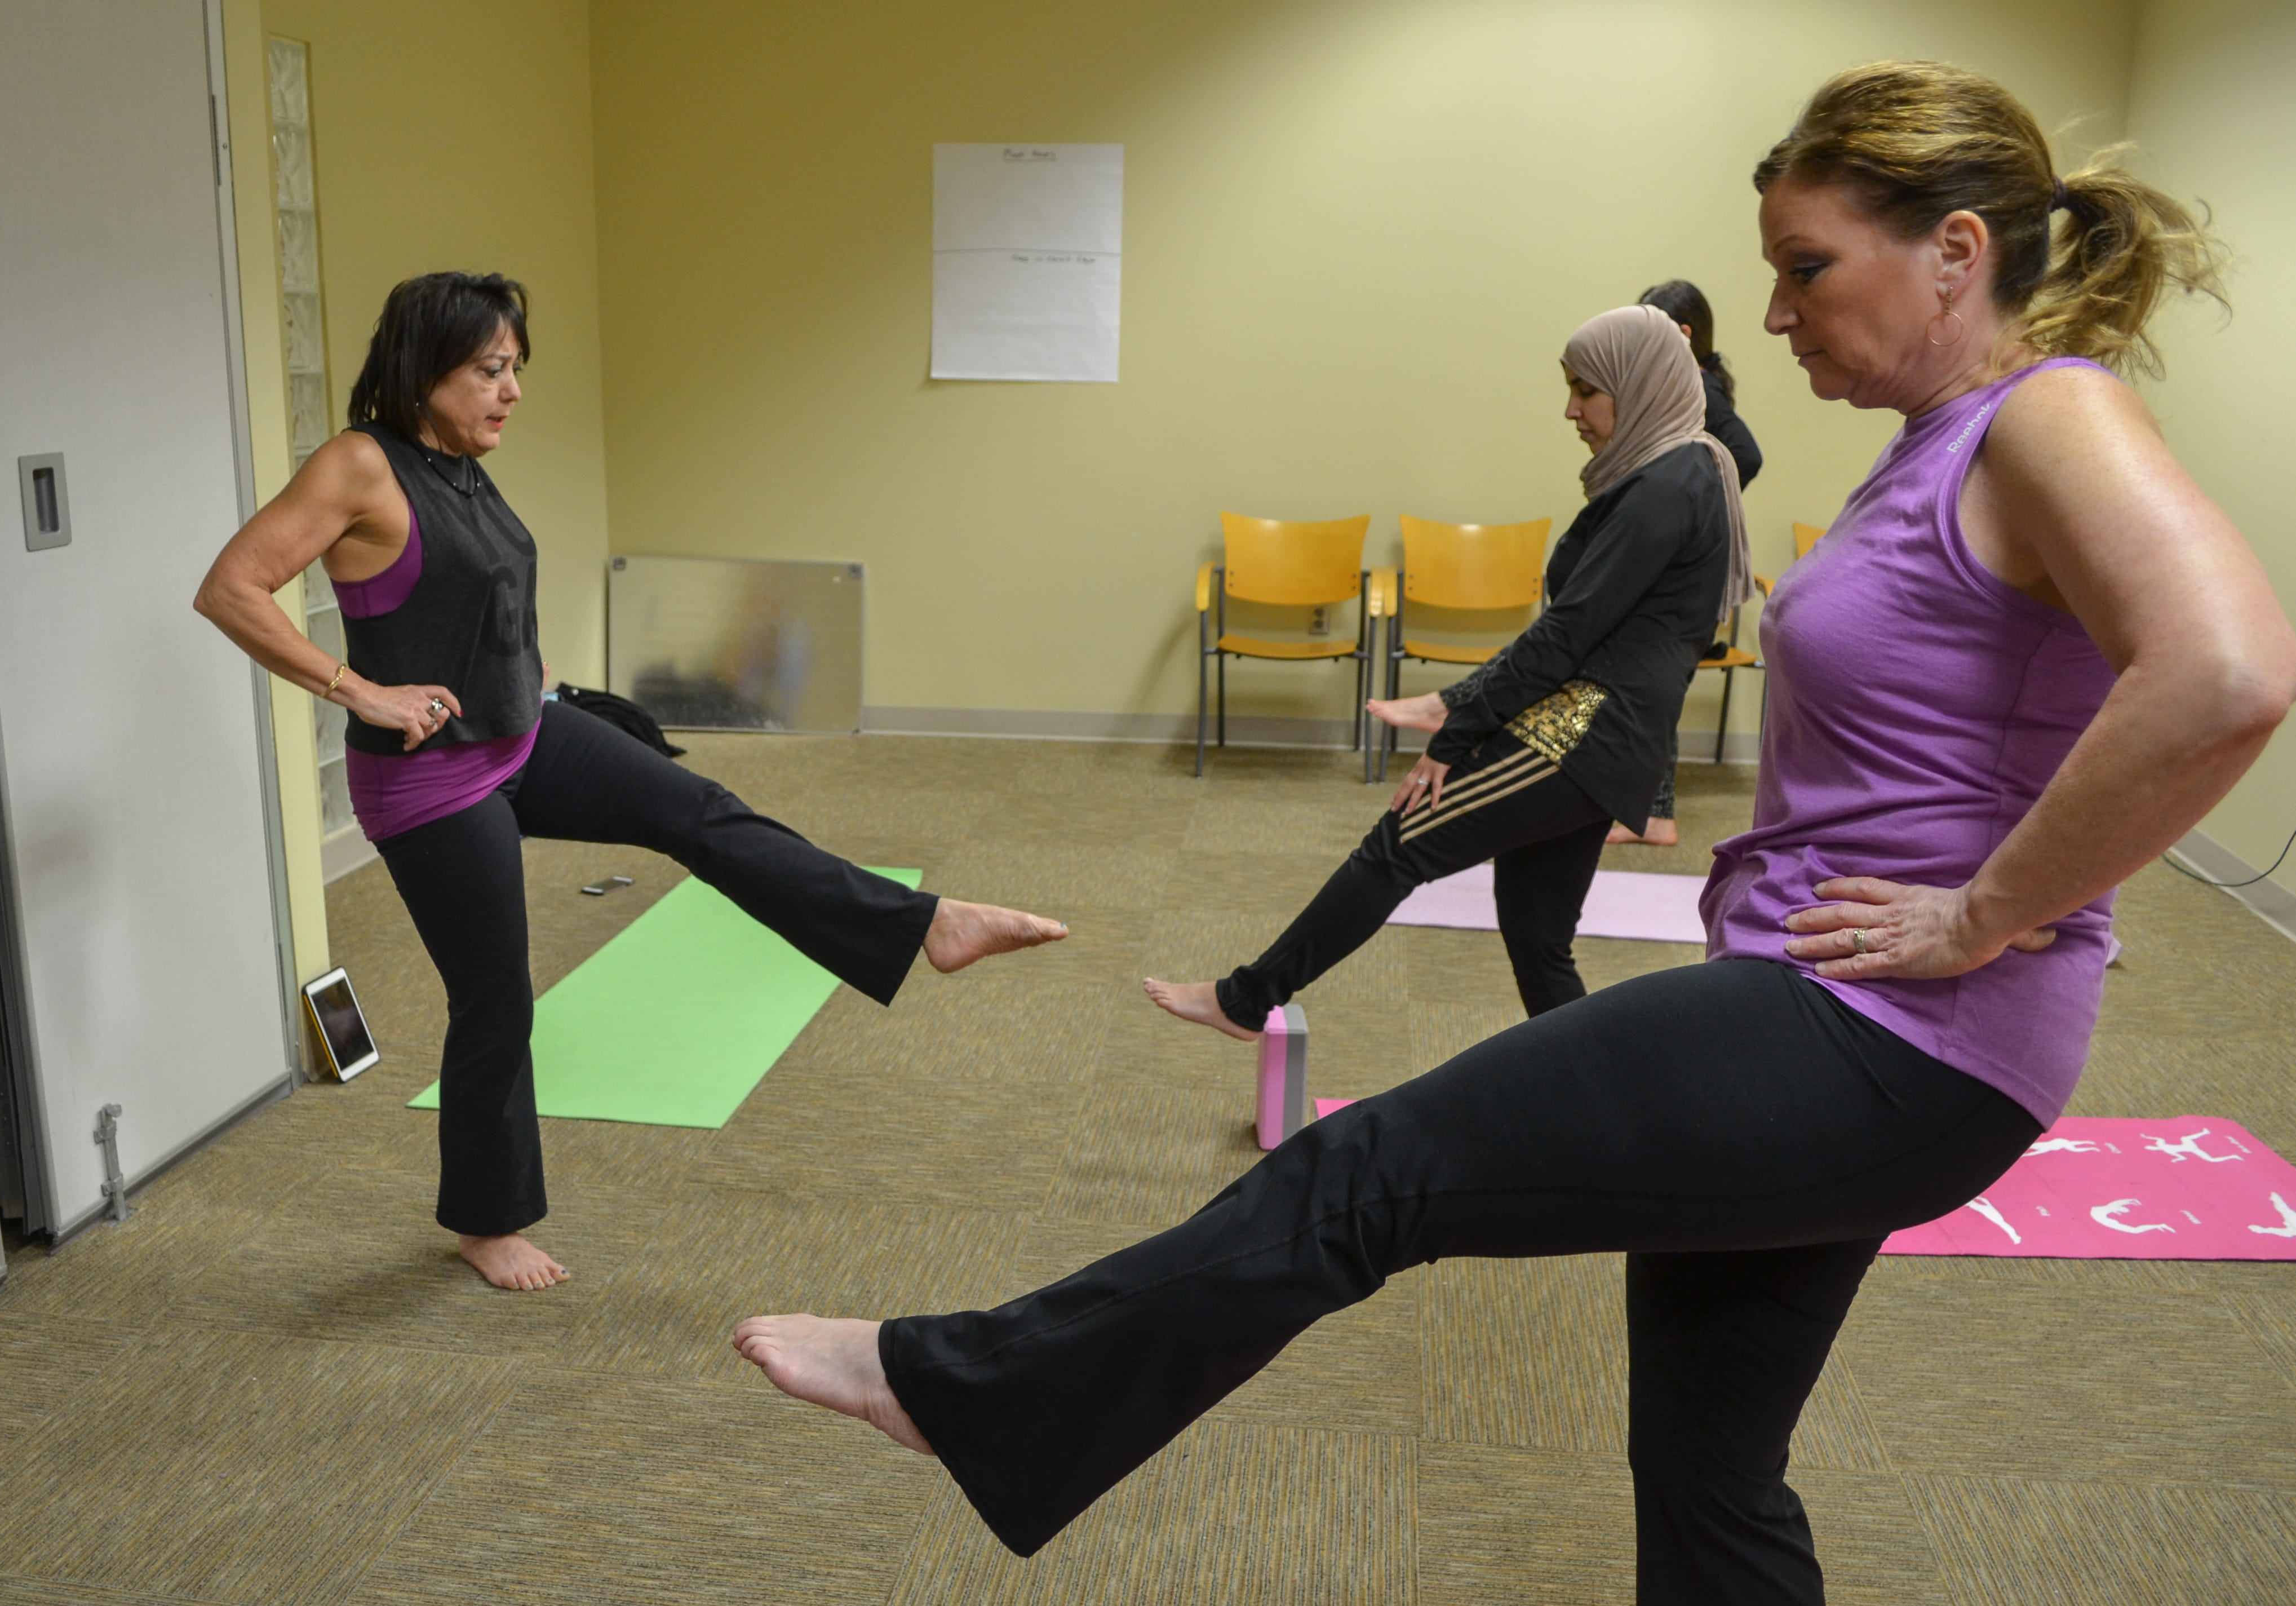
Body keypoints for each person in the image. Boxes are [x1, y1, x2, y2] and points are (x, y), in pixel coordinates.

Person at [732, 60, 2294, 1604]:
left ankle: (964, 1387)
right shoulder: (1939, 447)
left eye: (1805, 269)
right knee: (1708, 1475)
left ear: (1955, 251)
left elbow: (2223, 674)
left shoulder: (2049, 415)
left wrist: (1983, 911)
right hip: (1870, 1032)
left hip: (1883, 1030)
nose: (1773, 317)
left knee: (1367, 1173)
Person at [195, 272, 1066, 1291]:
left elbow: (474, 599)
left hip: (521, 737)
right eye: (489, 369)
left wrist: (539, 683)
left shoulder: (465, 463)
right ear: (423, 368)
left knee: (697, 809)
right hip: (432, 785)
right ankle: (486, 1220)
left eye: (515, 368)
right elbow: (232, 586)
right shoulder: (359, 465)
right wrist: (360, 689)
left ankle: (922, 925)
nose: (510, 390)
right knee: (496, 994)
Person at [1143, 303, 1750, 1034]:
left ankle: (1246, 1000)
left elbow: (1567, 634)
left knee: (1396, 846)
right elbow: (1580, 632)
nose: (1569, 410)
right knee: (1536, 937)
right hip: (1597, 735)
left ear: (1639, 384)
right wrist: (1453, 702)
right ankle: (1603, 1102)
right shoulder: (1674, 473)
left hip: (1583, 737)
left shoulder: (1666, 486)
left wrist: (1454, 726)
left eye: (1586, 390)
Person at [1614, 278, 1768, 846]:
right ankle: (1649, 811)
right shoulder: (1688, 386)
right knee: (1648, 683)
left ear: (1680, 336)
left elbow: (1745, 454)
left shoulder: (1697, 387)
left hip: (1683, 580)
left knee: (1651, 684)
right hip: (1681, 576)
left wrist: (1692, 507)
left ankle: (1654, 815)